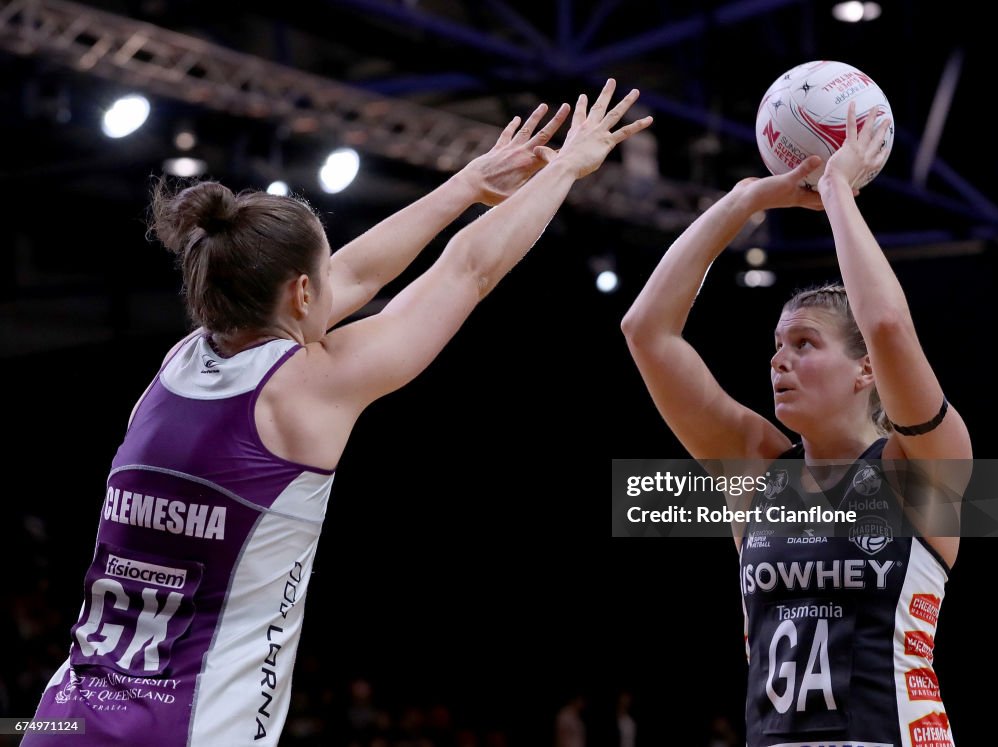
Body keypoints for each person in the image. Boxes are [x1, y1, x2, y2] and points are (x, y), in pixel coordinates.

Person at [23, 79, 652, 746]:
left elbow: (353, 278)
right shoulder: (303, 391)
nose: (340, 282)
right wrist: (566, 169)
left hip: (61, 718)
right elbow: (467, 271)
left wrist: (467, 184)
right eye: (322, 277)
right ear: (299, 293)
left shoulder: (176, 366)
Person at [621, 104, 970, 746]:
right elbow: (646, 332)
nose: (779, 360)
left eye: (805, 344)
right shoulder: (756, 469)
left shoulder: (919, 465)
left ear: (865, 371)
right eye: (777, 347)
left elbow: (888, 326)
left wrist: (839, 190)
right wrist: (741, 202)